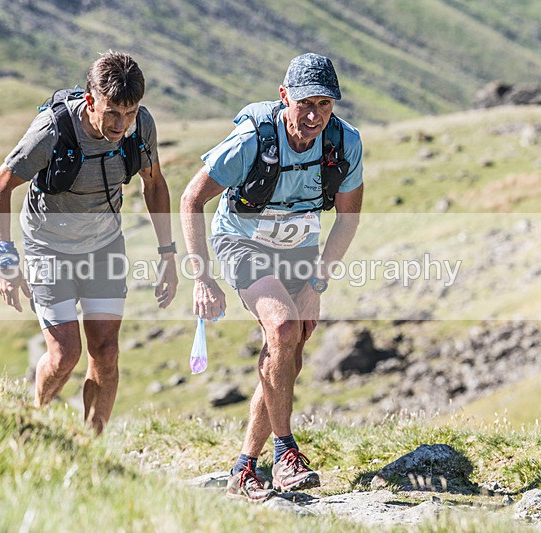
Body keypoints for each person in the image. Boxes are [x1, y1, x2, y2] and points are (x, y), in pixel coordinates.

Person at [181, 53, 364, 502]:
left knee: (287, 355)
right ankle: (286, 453)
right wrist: (202, 278)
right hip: (241, 241)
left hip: (298, 249)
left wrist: (317, 286)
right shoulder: (251, 140)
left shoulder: (345, 143)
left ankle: (244, 467)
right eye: (304, 103)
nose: (313, 115)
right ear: (284, 97)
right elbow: (190, 199)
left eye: (324, 104)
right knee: (282, 326)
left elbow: (347, 218)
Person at [0, 51, 178, 434]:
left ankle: (93, 444)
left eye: (130, 112)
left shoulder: (140, 127)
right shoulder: (52, 130)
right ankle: (34, 421)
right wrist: (5, 262)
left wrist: (168, 255)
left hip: (104, 246)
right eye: (112, 113)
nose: (121, 124)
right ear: (90, 101)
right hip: (48, 248)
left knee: (105, 353)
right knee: (64, 355)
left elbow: (154, 183)